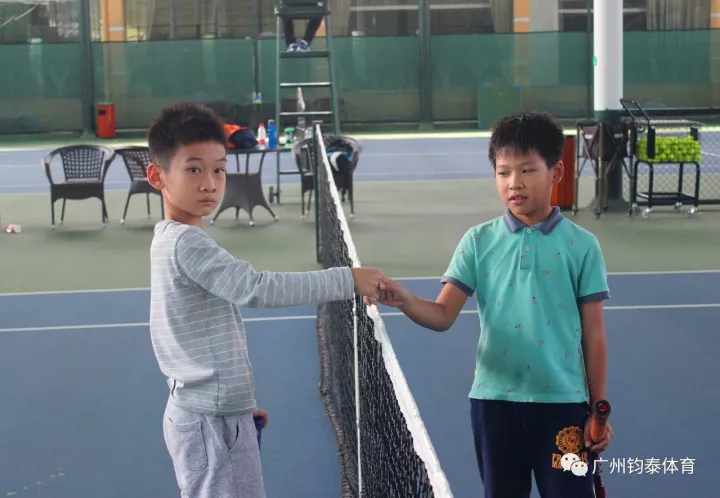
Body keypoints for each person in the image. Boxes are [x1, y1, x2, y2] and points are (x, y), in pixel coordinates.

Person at [145, 102, 389, 498]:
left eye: (218, 169)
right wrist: (347, 279)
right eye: (193, 169)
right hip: (210, 422)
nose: (209, 183)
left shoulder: (170, 238)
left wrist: (237, 407)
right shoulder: (186, 243)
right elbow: (257, 287)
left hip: (214, 413)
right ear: (157, 176)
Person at [371, 110, 613, 498]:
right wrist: (405, 300)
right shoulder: (477, 241)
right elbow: (442, 315)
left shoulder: (582, 246)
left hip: (563, 406)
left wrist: (598, 408)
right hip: (494, 405)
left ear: (556, 172)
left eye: (527, 170)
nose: (514, 183)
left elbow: (594, 334)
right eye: (503, 172)